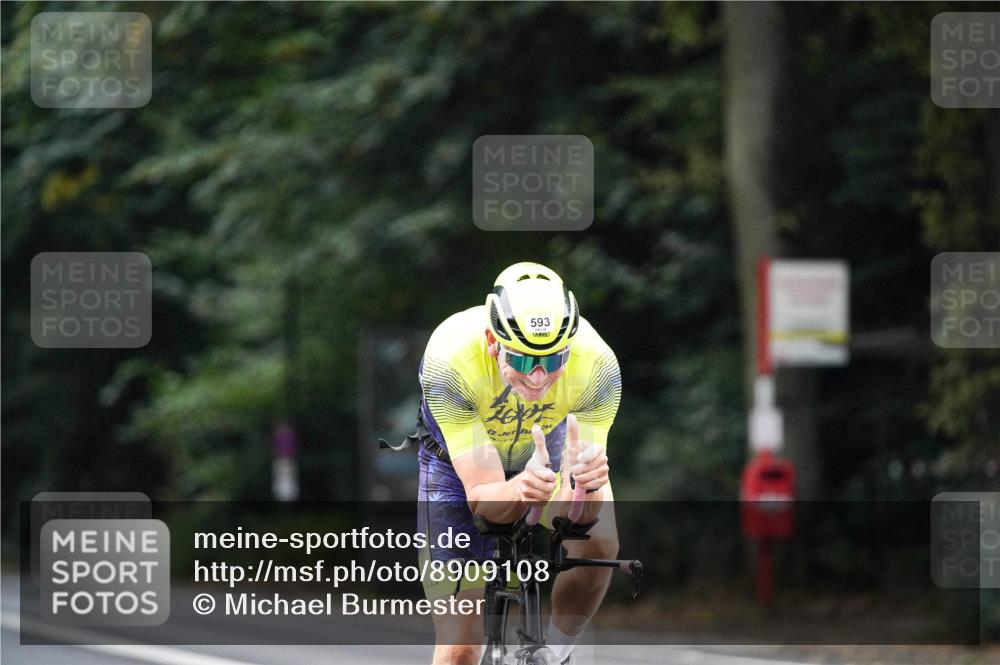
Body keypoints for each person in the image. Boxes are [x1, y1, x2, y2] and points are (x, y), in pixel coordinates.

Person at [415, 262, 622, 665]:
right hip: (457, 469)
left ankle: (557, 654)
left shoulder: (597, 366)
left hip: (550, 443)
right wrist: (519, 489)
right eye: (525, 362)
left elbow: (578, 518)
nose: (540, 376)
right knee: (460, 647)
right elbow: (482, 501)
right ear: (494, 341)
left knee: (601, 542)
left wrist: (585, 489)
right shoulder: (450, 360)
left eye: (554, 359)